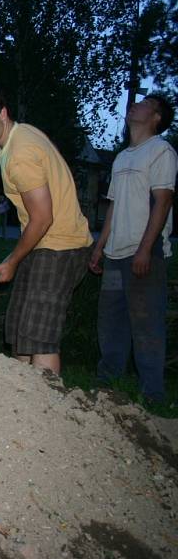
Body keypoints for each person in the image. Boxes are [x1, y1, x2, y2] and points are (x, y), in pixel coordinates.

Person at [0, 81, 92, 375]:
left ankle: (44, 410)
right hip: (42, 243)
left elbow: (43, 217)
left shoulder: (20, 154)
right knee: (20, 328)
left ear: (2, 113)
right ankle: (18, 400)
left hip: (59, 246)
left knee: (39, 337)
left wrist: (12, 260)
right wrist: (17, 257)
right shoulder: (17, 138)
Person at [89, 95, 176, 403]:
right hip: (114, 256)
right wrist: (100, 246)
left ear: (156, 117)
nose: (134, 106)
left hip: (143, 255)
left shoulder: (161, 151)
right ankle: (107, 385)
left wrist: (145, 250)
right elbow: (113, 206)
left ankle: (152, 394)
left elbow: (163, 202)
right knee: (110, 321)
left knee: (146, 323)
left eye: (144, 104)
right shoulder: (123, 157)